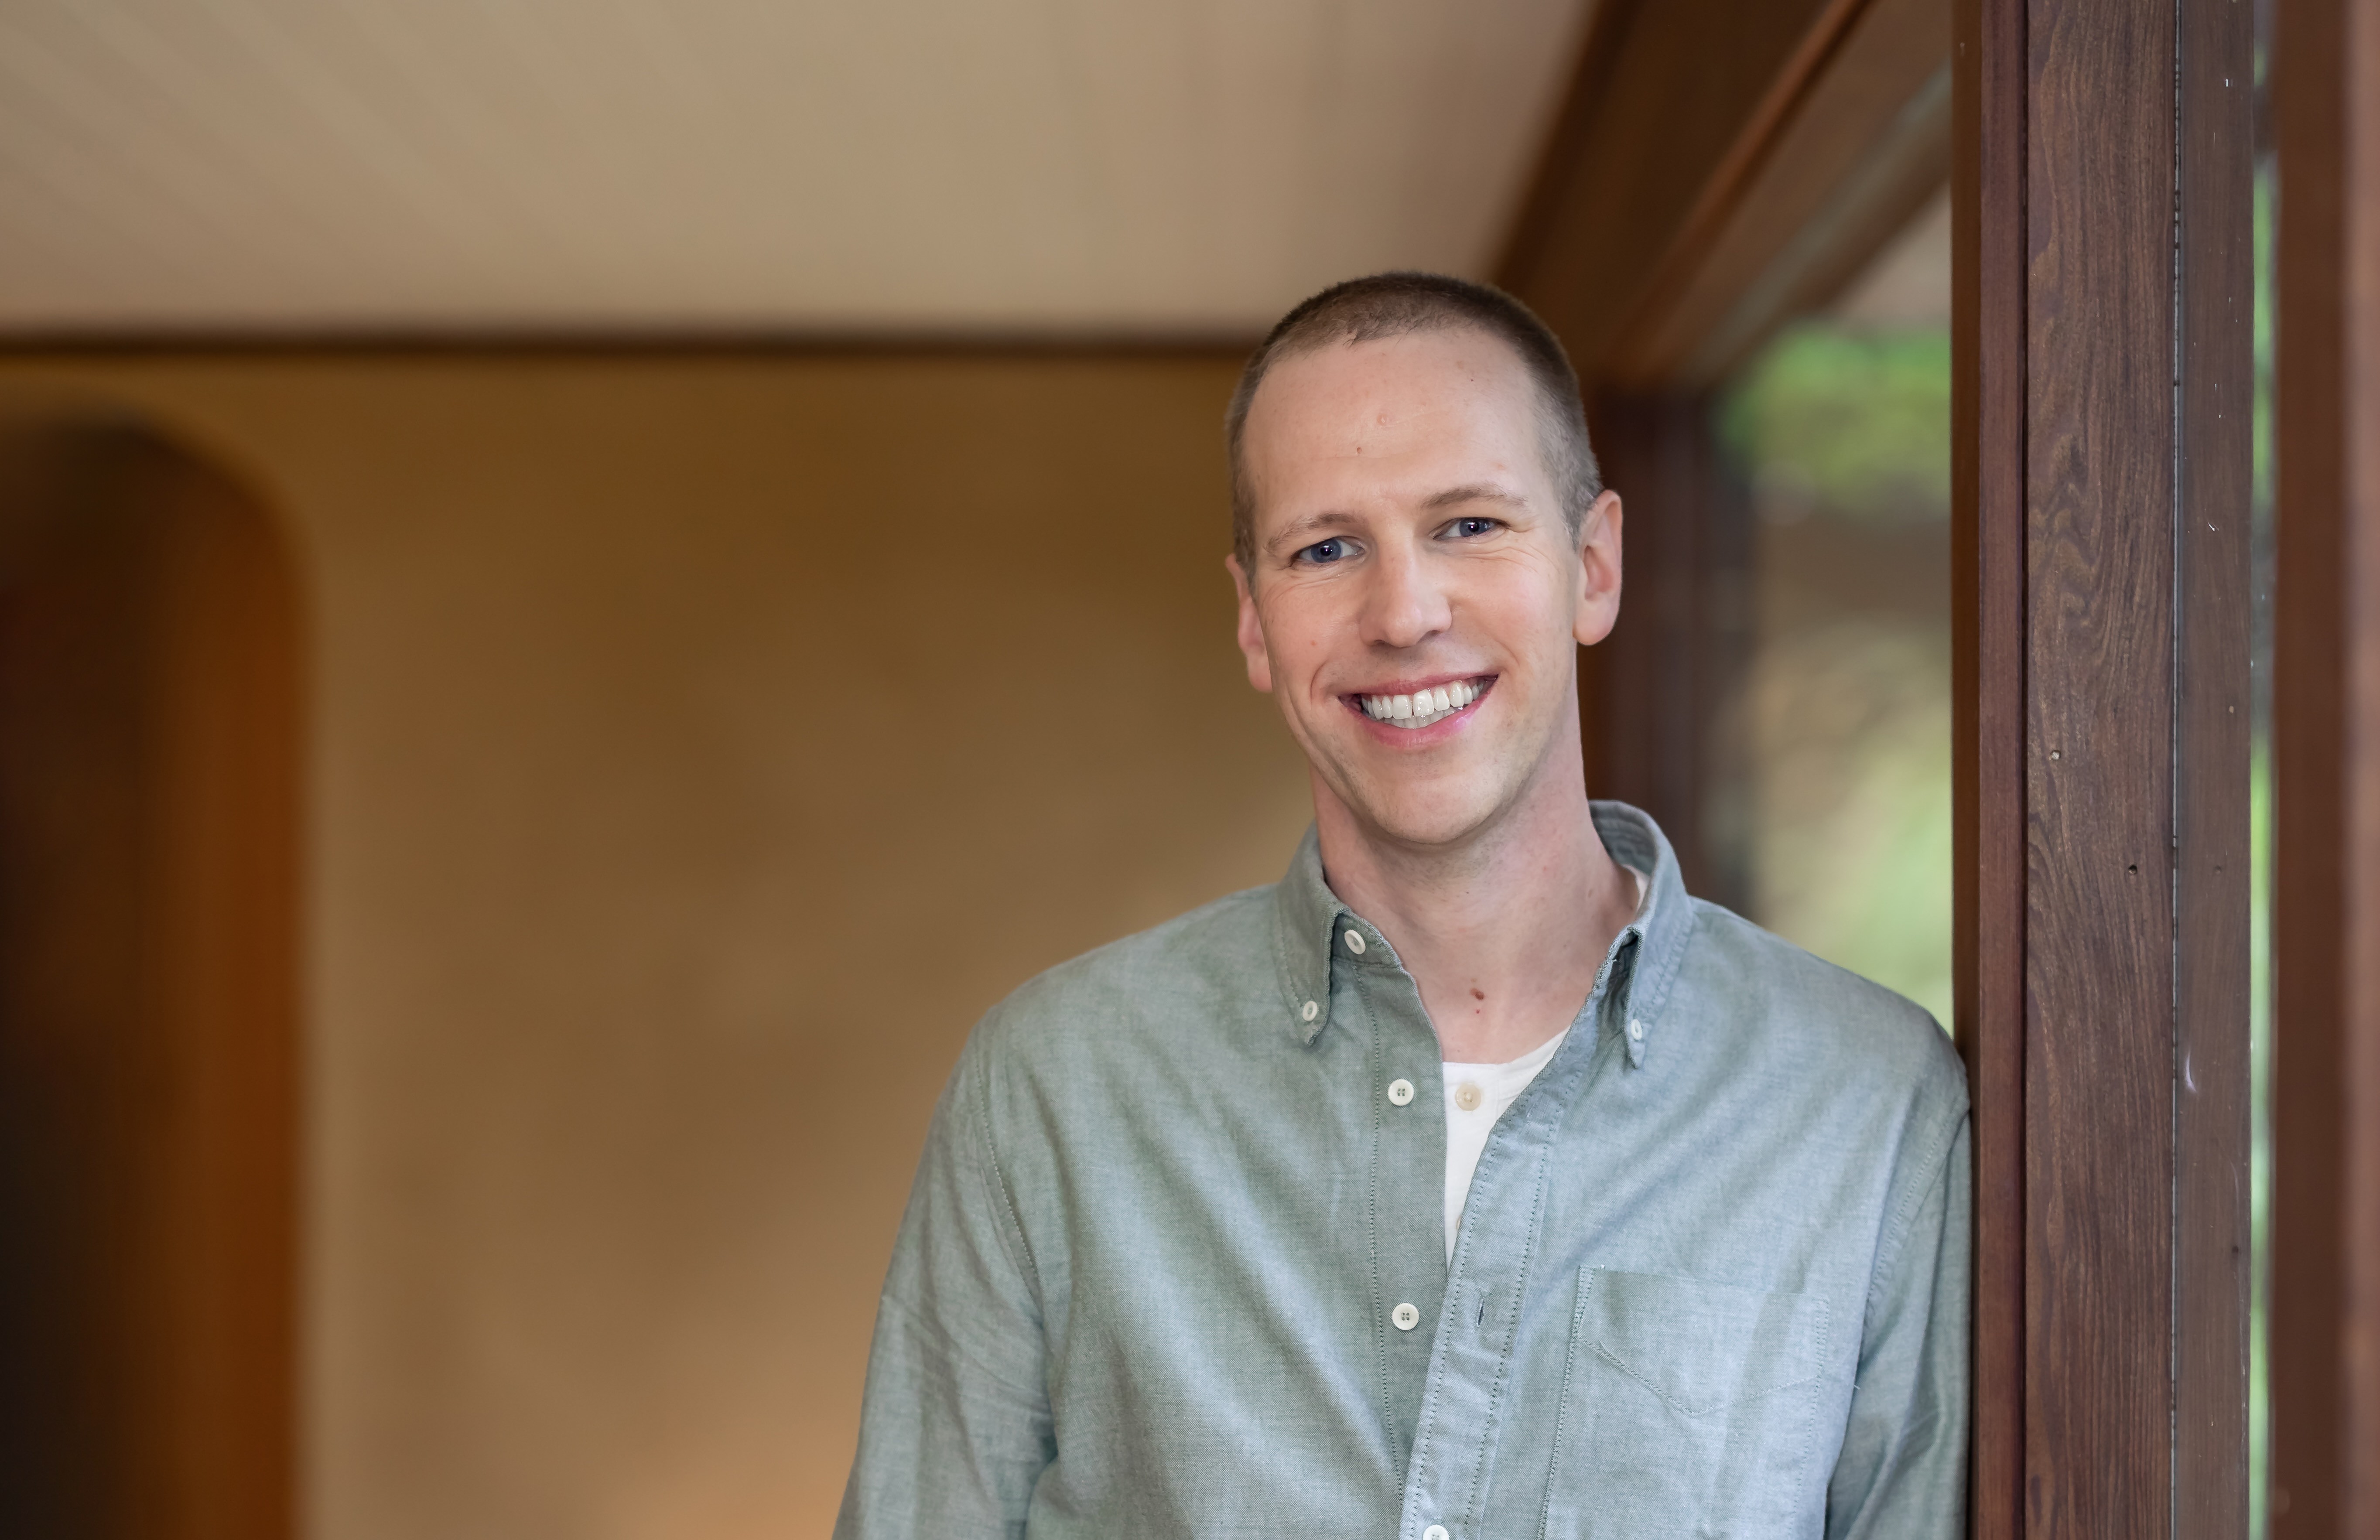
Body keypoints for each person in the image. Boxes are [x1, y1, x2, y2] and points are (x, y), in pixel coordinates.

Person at [834, 273, 1970, 1540]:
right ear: (1257, 623)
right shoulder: (1054, 1088)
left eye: (1470, 526)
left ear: (1592, 566)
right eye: (1326, 549)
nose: (1405, 612)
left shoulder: (1870, 1107)